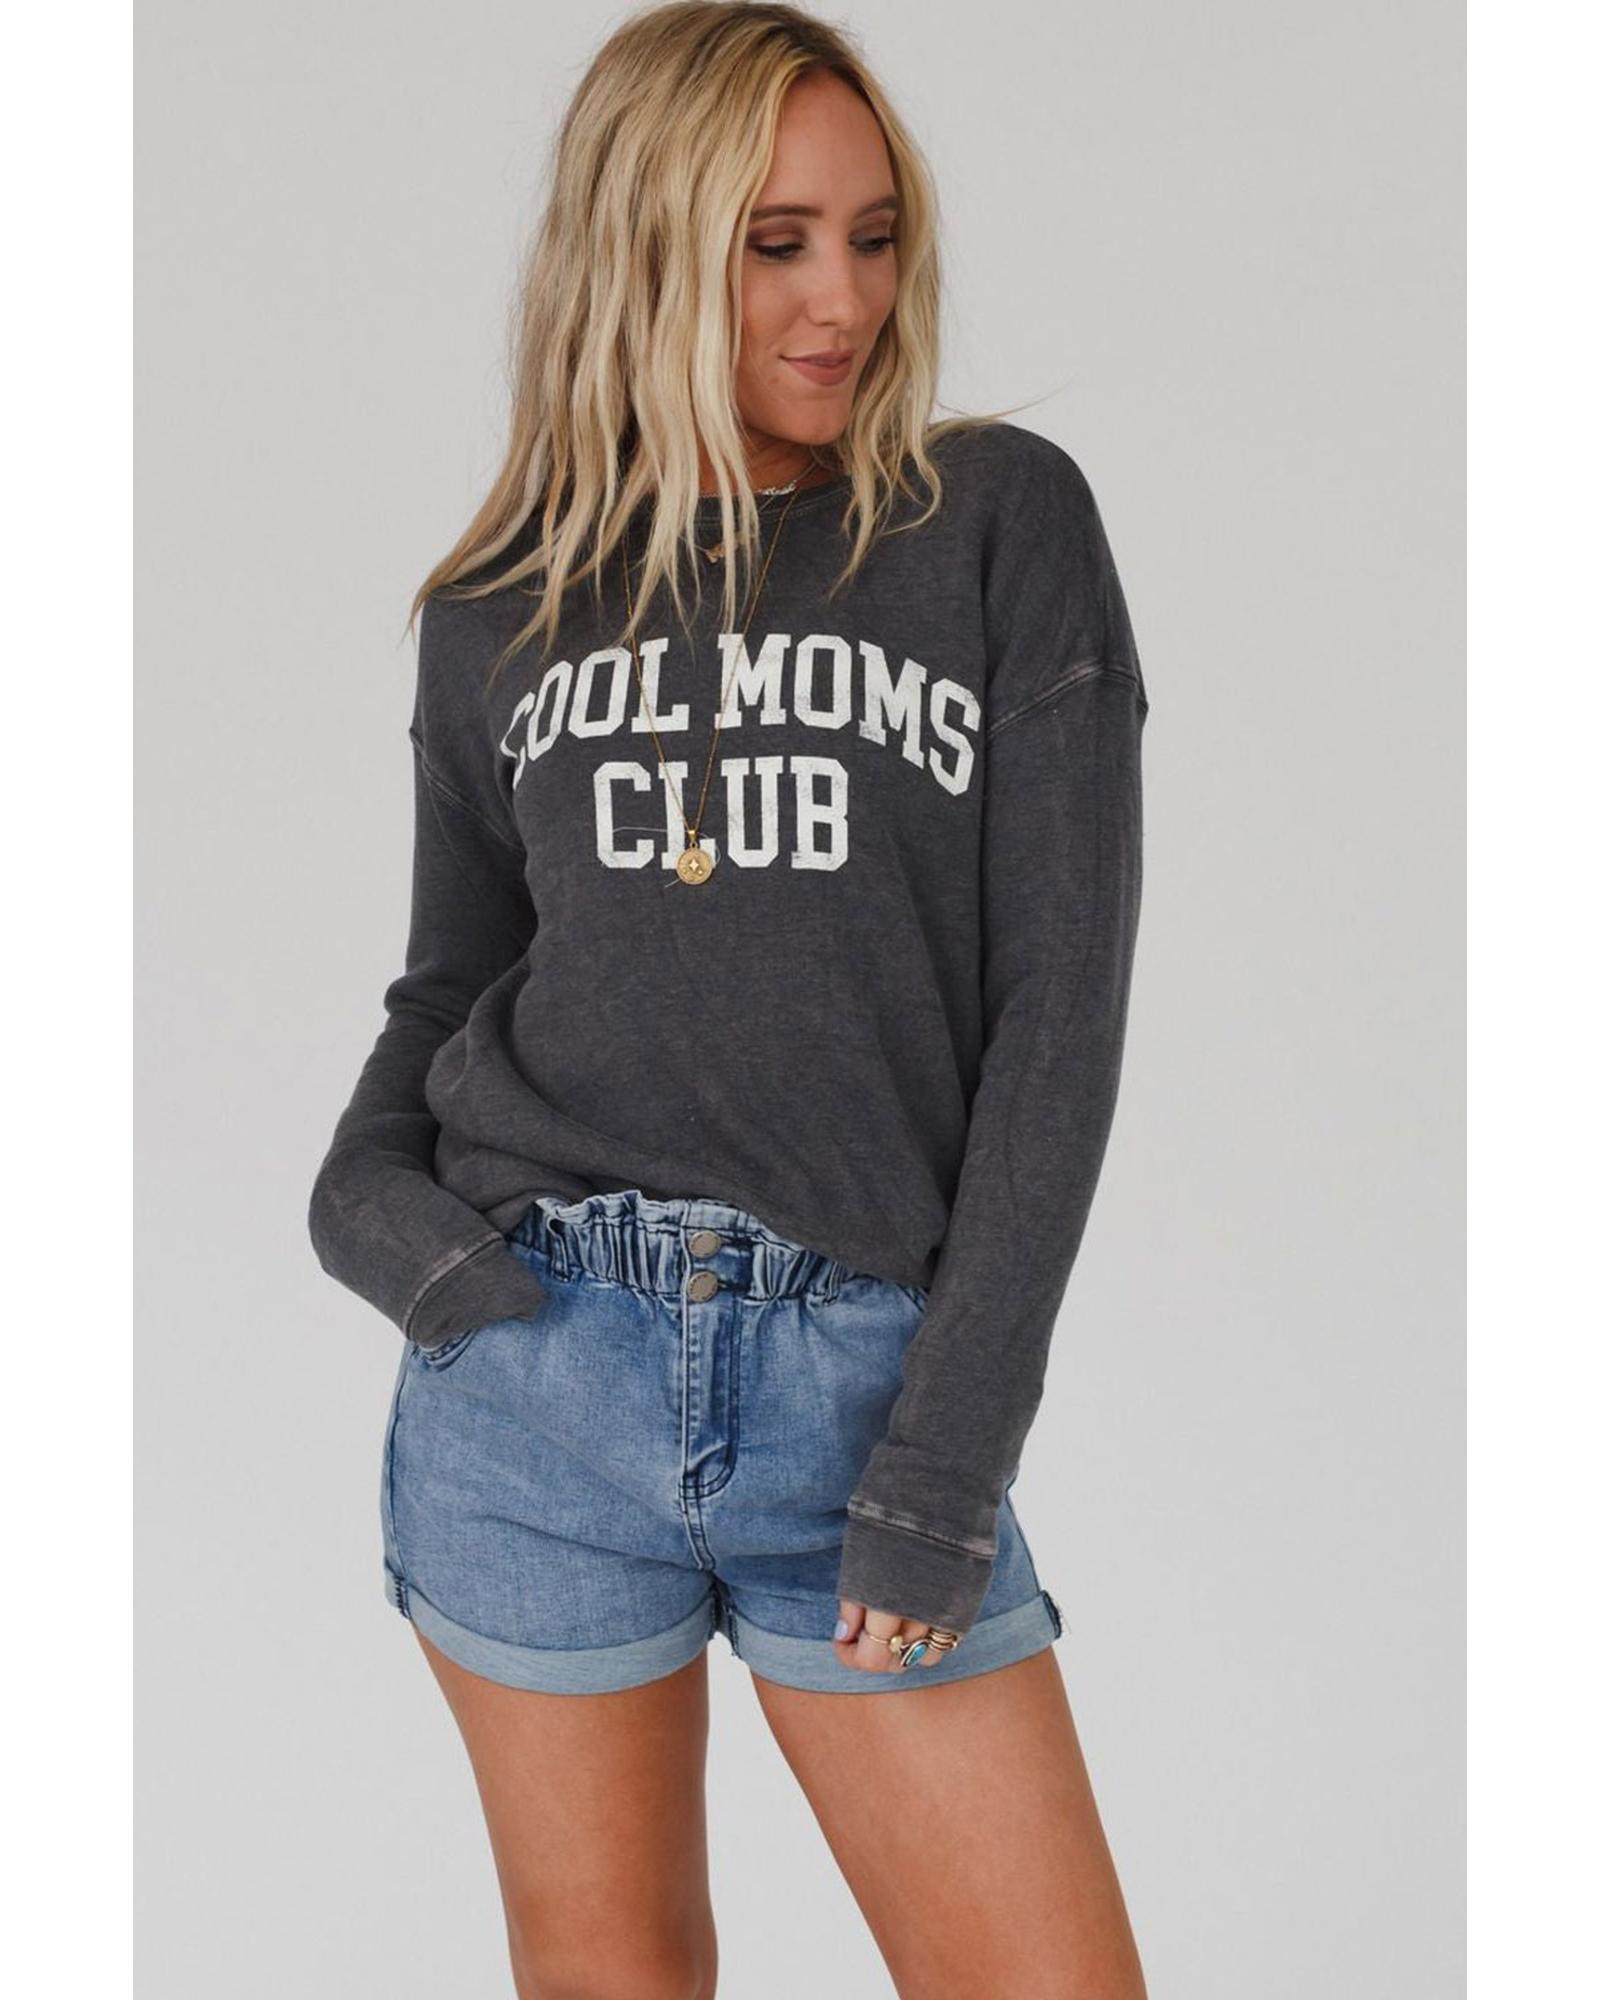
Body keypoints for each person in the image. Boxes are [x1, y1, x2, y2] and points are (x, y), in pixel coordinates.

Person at [307, 4, 1150, 1994]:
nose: (842, 298)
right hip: (531, 1377)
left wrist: (944, 1459)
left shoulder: (993, 522)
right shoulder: (501, 603)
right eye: (774, 244)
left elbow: (1058, 1015)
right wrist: (375, 1219)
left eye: (873, 235)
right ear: (641, 248)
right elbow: (451, 986)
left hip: (860, 1385)